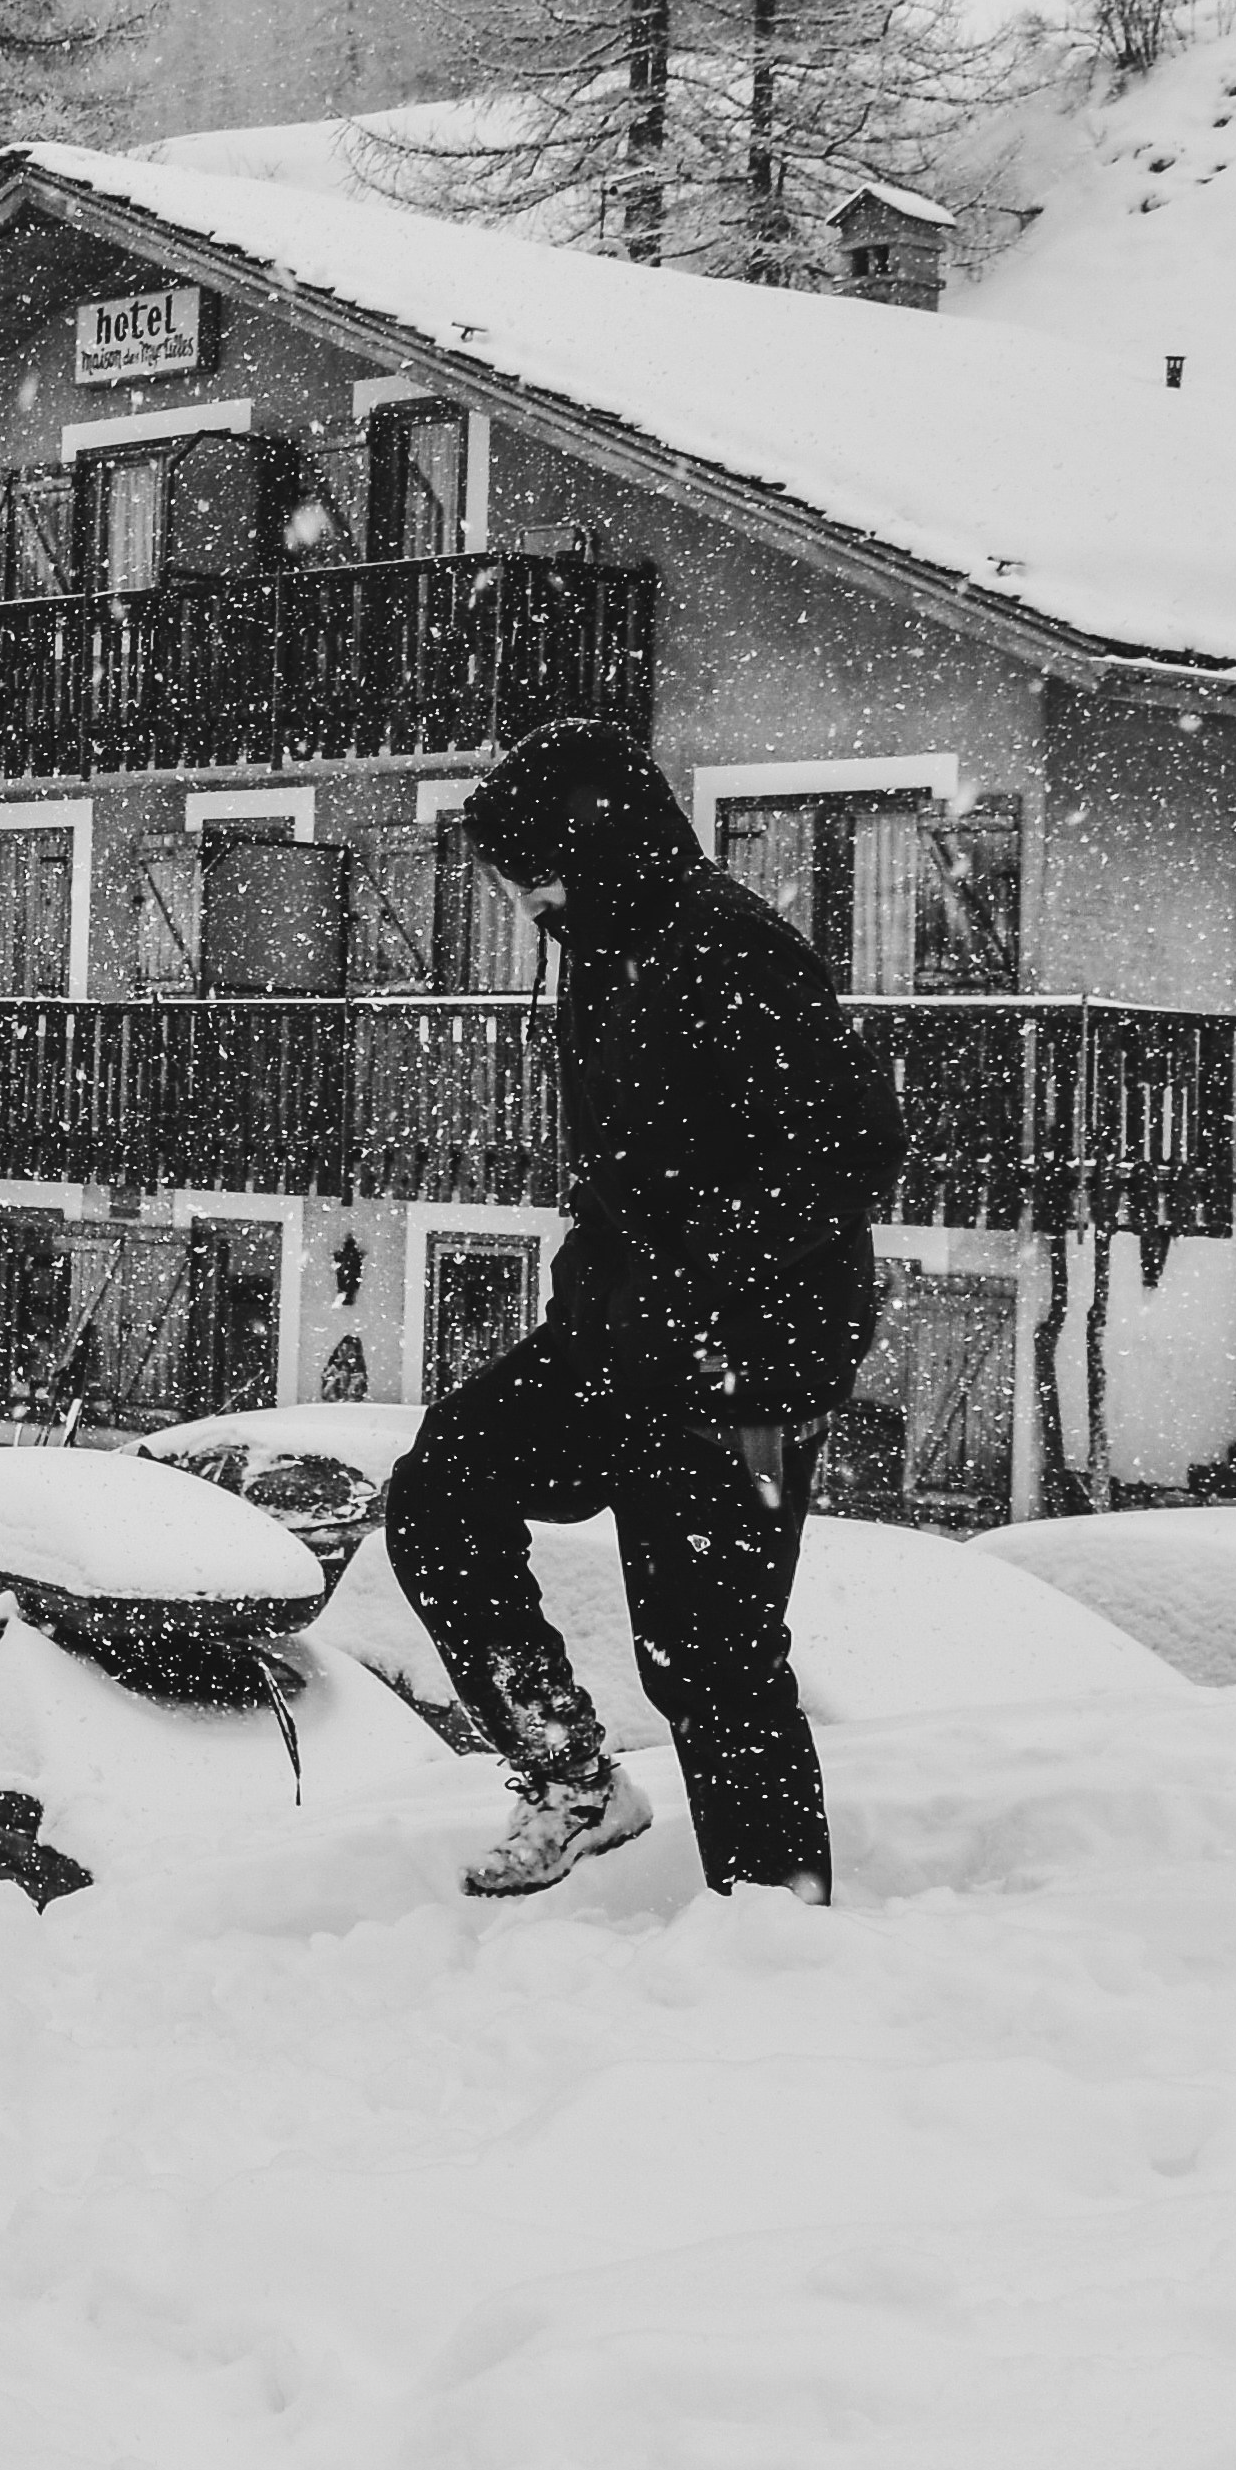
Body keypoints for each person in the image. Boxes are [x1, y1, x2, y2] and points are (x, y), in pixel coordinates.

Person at [381, 720, 907, 1902]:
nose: (527, 899)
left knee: (711, 1656)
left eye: (536, 870)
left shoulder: (731, 949)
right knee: (441, 1488)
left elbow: (856, 1150)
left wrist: (704, 1276)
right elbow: (635, 1165)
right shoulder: (603, 944)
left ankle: (777, 1913)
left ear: (596, 843)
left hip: (746, 1367)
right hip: (621, 1339)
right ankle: (571, 1777)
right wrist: (601, 1281)